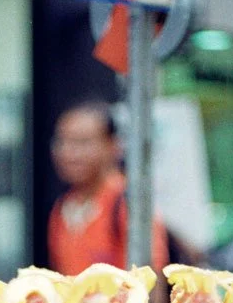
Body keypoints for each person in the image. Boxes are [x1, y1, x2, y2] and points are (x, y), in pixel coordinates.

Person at [47, 100, 169, 278]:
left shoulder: (129, 202)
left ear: (113, 145)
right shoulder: (62, 208)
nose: (68, 153)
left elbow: (151, 285)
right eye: (62, 142)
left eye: (82, 143)